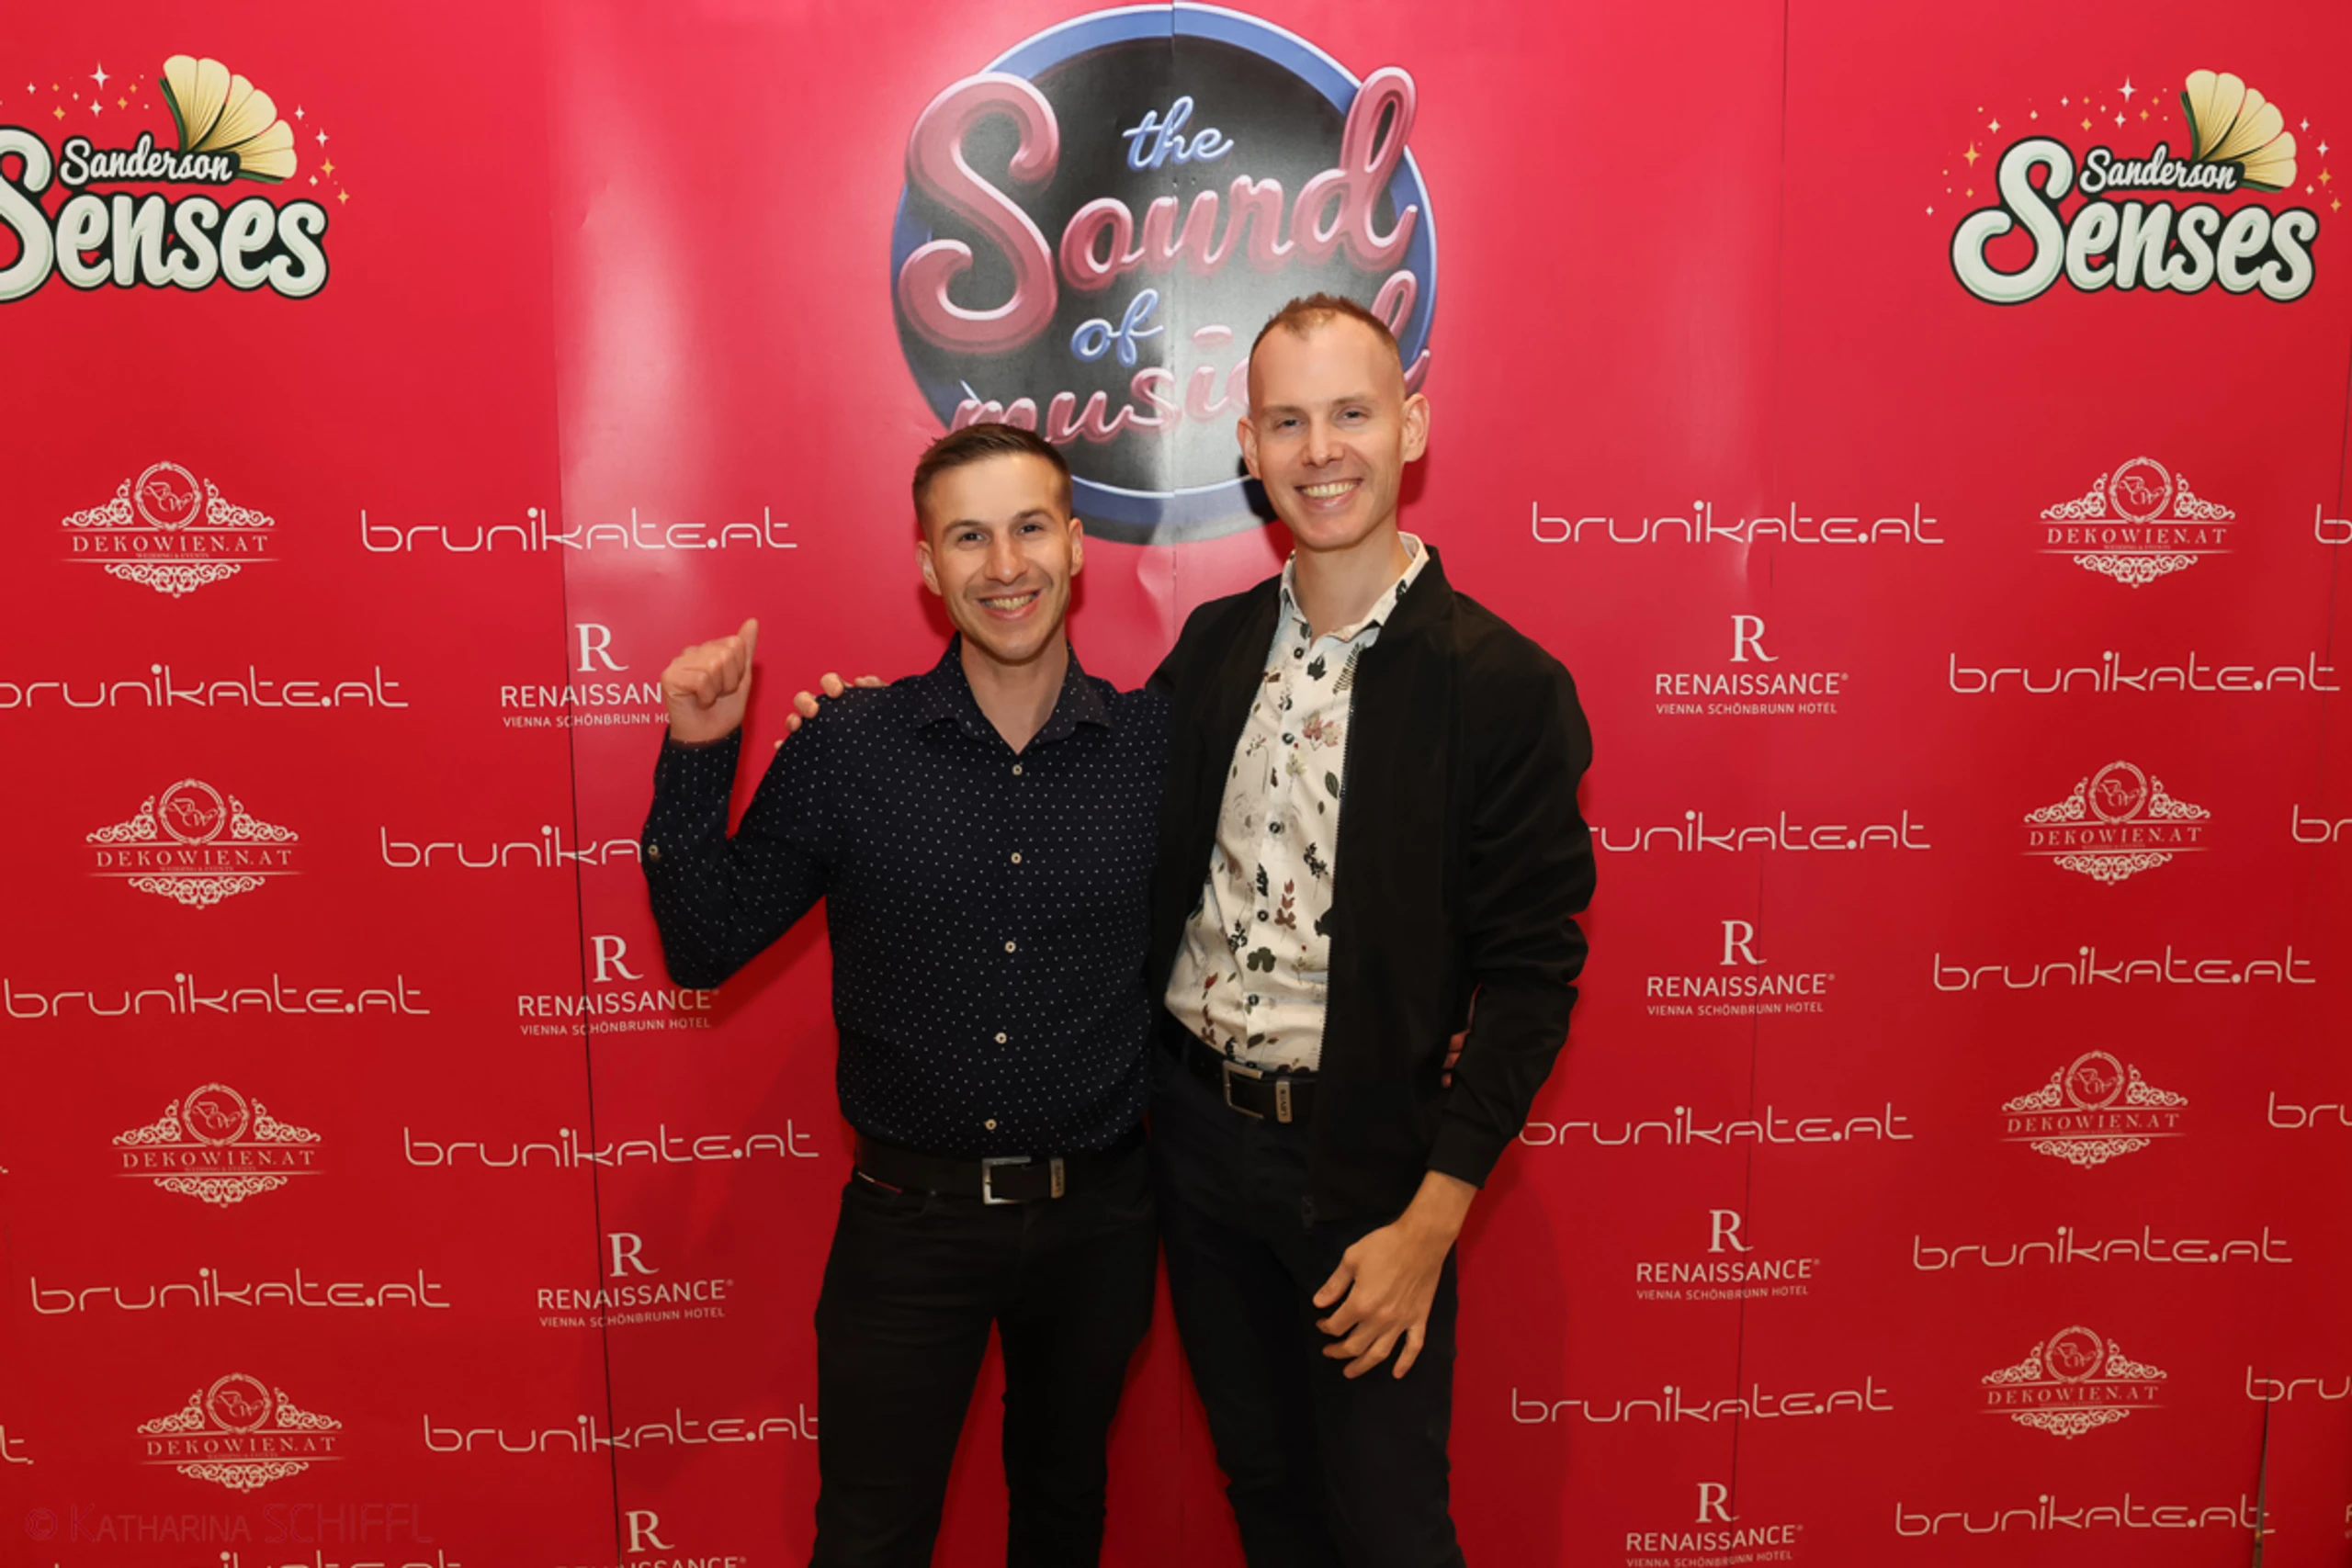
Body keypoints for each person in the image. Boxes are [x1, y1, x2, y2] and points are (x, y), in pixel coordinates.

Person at [639, 423, 1166, 1568]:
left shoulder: (1155, 750)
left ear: (1077, 545)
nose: (1004, 565)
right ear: (928, 566)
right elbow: (702, 944)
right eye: (967, 538)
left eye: (1029, 528)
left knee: (1064, 1518)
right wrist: (698, 752)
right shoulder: (851, 746)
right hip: (906, 1230)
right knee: (869, 1540)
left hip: (1099, 1225)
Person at [1145, 293, 1596, 1568]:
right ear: (1248, 447)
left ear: (1412, 426)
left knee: (1389, 1526)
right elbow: (1094, 812)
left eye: (1351, 412)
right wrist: (888, 735)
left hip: (1369, 1176)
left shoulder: (1503, 685)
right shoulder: (1213, 646)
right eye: (1288, 421)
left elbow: (1533, 975)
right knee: (1267, 1496)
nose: (1321, 449)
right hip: (1194, 1143)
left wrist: (1430, 1221)